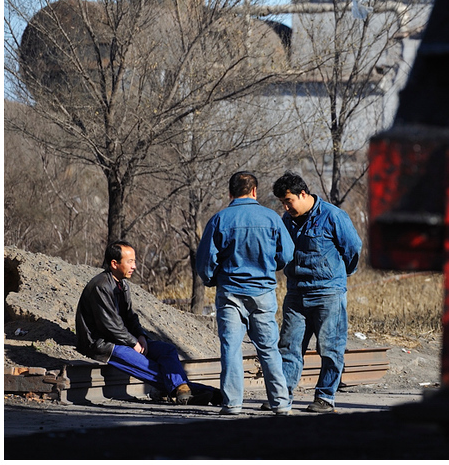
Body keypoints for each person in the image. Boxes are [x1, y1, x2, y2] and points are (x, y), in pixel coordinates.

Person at [196, 171, 294, 416]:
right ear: (254, 192)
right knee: (269, 348)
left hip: (230, 294)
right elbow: (287, 254)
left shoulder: (220, 219)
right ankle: (281, 403)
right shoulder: (272, 218)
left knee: (231, 348)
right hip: (263, 292)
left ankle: (232, 404)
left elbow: (205, 261)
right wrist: (271, 267)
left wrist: (212, 280)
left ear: (230, 193)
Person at [76, 241, 216, 406]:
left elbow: (130, 317)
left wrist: (141, 336)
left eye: (134, 261)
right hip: (103, 344)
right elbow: (110, 326)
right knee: (151, 368)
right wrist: (133, 342)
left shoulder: (122, 285)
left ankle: (186, 392)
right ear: (114, 264)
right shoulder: (101, 286)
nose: (134, 266)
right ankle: (208, 393)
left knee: (167, 350)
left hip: (123, 340)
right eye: (130, 261)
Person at [270, 171, 362, 413]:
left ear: (303, 194)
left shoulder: (333, 216)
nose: (286, 206)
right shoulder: (287, 220)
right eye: (282, 203)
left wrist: (339, 276)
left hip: (328, 293)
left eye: (288, 200)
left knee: (330, 347)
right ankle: (283, 396)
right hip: (296, 293)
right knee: (289, 346)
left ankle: (325, 397)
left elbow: (353, 248)